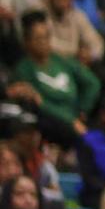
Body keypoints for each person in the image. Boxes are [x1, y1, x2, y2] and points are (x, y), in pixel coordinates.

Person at [11, 12, 99, 142]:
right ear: (27, 42)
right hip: (52, 122)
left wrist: (83, 110)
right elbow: (39, 101)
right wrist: (70, 121)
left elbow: (93, 82)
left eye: (46, 37)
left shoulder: (60, 60)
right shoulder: (24, 69)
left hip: (76, 115)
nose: (44, 43)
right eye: (38, 38)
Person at [45, 0, 104, 64]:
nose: (63, 1)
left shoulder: (77, 15)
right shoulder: (40, 14)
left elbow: (97, 43)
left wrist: (89, 55)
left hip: (77, 63)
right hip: (51, 62)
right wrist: (76, 51)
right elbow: (47, 44)